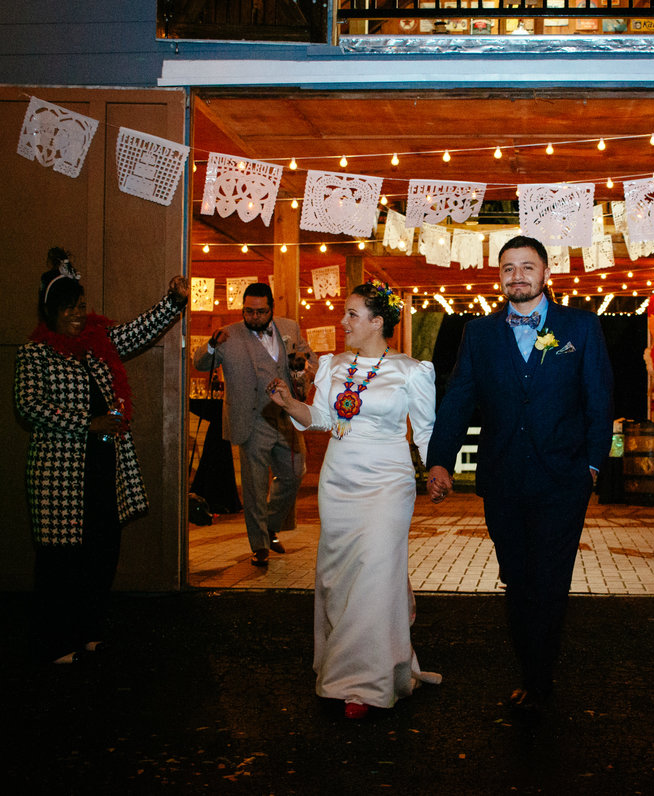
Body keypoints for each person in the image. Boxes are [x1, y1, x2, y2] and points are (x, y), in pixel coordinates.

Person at [425, 235, 614, 715]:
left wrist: (592, 468)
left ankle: (538, 677)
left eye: (527, 267)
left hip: (563, 481)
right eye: (508, 268)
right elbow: (459, 399)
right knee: (517, 577)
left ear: (546, 274)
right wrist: (440, 459)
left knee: (549, 581)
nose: (517, 276)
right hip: (503, 479)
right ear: (500, 276)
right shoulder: (481, 334)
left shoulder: (581, 327)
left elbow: (599, 400)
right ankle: (532, 665)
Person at [268, 279, 441, 719]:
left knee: (376, 573)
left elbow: (425, 431)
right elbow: (321, 418)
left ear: (377, 322)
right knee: (338, 576)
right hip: (339, 480)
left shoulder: (409, 371)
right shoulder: (331, 366)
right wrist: (290, 403)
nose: (342, 321)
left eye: (351, 314)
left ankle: (364, 684)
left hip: (388, 481)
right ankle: (347, 665)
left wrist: (437, 468)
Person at [14, 247, 189, 664]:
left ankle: (90, 631)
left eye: (82, 307)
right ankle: (57, 641)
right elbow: (28, 406)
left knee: (100, 551)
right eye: (70, 308)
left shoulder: (96, 344)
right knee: (60, 561)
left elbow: (138, 331)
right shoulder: (34, 354)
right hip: (58, 475)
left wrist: (173, 302)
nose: (78, 315)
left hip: (103, 468)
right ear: (50, 311)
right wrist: (86, 421)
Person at [192, 283, 314, 566]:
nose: (254, 316)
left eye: (260, 311)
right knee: (254, 485)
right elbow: (199, 362)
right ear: (242, 308)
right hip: (250, 418)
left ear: (271, 309)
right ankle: (259, 545)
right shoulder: (229, 335)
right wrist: (211, 344)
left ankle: (271, 524)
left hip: (285, 417)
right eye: (249, 311)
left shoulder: (289, 328)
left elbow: (310, 358)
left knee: (296, 472)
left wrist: (303, 365)